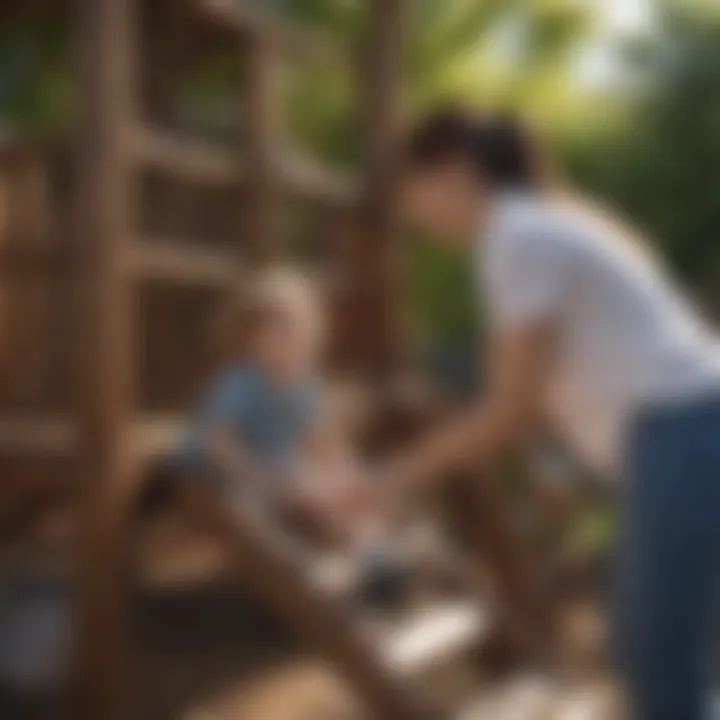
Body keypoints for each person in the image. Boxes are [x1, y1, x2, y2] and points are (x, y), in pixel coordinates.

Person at [381, 106, 720, 718]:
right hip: (684, 433)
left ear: (455, 172)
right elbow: (547, 394)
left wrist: (397, 475)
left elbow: (512, 409)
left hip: (685, 433)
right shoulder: (542, 227)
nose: (411, 212)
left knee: (656, 655)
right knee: (665, 649)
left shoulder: (516, 238)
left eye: (411, 189)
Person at [173, 270, 407, 604]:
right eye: (274, 334)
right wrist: (268, 477)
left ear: (313, 337)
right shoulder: (241, 383)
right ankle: (302, 569)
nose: (288, 343)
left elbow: (325, 443)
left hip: (277, 468)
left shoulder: (303, 386)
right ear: (250, 341)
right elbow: (218, 443)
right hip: (222, 470)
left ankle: (376, 558)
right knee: (271, 503)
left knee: (338, 489)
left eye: (297, 333)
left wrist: (352, 481)